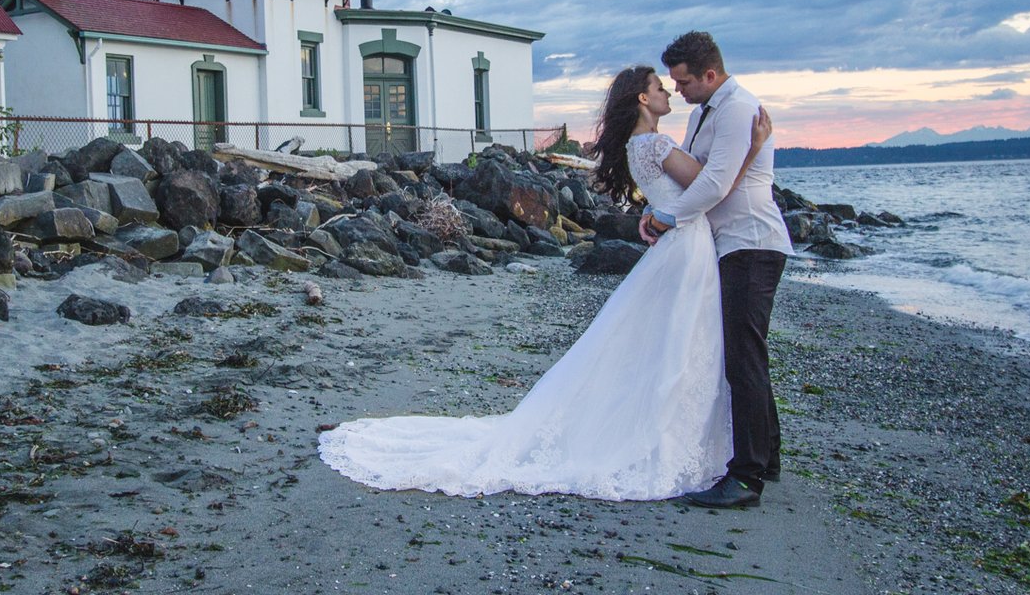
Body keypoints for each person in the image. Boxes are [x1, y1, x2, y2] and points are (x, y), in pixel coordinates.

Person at [317, 65, 770, 501]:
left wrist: (657, 214)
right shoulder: (655, 144)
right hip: (687, 248)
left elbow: (688, 192)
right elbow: (715, 185)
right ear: (643, 97)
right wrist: (753, 148)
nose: (668, 92)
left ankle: (714, 441)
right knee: (680, 342)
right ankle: (690, 438)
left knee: (669, 342)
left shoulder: (638, 146)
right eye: (660, 86)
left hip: (680, 245)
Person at [640, 31, 793, 509]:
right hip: (728, 245)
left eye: (684, 82)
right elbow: (697, 174)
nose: (678, 90)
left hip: (751, 241)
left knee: (742, 357)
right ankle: (766, 457)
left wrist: (666, 216)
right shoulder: (707, 110)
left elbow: (716, 183)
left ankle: (747, 478)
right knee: (743, 352)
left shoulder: (737, 109)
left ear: (709, 74)